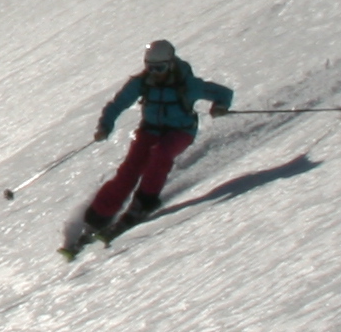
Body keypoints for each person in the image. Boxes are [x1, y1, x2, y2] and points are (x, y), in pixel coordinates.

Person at [70, 37, 233, 251]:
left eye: (160, 68)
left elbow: (223, 93)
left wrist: (220, 106)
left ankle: (144, 202)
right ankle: (97, 219)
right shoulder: (142, 83)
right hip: (150, 130)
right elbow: (117, 104)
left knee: (161, 154)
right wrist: (105, 125)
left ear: (171, 63)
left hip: (180, 131)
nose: (155, 72)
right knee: (129, 170)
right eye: (151, 68)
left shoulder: (188, 85)